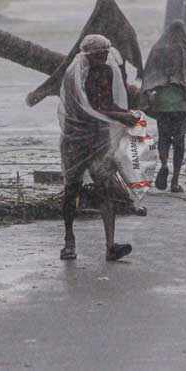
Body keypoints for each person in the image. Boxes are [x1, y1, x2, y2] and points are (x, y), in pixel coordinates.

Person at [59, 34, 140, 261]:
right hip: (76, 139)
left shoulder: (106, 71)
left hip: (99, 138)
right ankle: (69, 241)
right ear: (88, 55)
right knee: (72, 189)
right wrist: (121, 117)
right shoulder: (74, 75)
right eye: (99, 55)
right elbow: (88, 108)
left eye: (106, 54)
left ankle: (110, 245)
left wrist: (125, 114)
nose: (104, 58)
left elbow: (106, 103)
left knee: (104, 188)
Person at [141, 21, 186, 193]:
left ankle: (163, 164)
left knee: (163, 137)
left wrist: (148, 94)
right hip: (181, 104)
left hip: (162, 102)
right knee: (179, 141)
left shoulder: (158, 50)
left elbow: (149, 74)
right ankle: (175, 180)